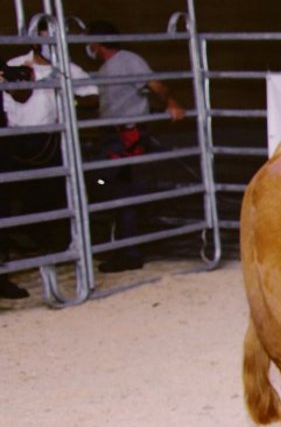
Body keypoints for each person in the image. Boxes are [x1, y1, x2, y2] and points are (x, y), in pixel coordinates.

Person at [1, 20, 99, 298]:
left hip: (49, 141)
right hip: (12, 140)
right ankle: (4, 273)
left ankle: (48, 262)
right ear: (34, 40)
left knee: (50, 202)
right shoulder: (14, 64)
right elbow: (17, 95)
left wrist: (67, 95)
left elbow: (92, 96)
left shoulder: (67, 67)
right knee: (5, 208)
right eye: (45, 39)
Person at [85, 20, 186, 272]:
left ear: (97, 42)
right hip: (112, 135)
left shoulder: (128, 60)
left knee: (113, 187)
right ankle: (124, 247)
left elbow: (155, 84)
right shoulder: (107, 68)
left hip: (125, 136)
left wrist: (171, 102)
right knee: (116, 188)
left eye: (89, 40)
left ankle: (129, 251)